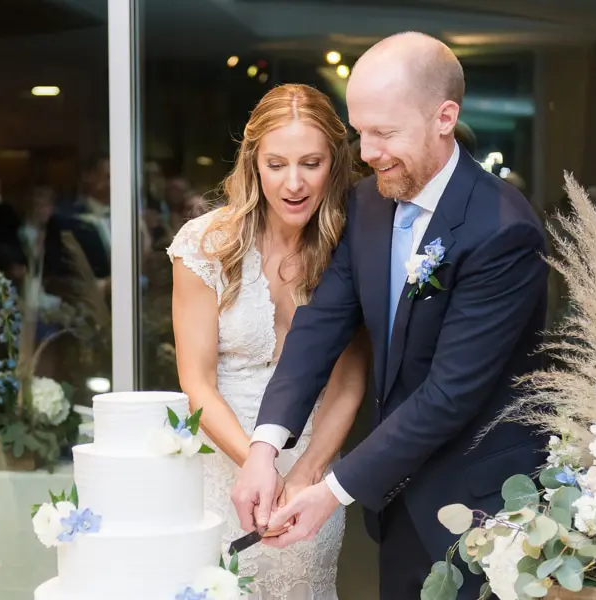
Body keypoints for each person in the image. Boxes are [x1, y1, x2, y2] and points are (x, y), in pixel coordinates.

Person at [233, 32, 549, 599]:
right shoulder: (367, 203)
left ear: (444, 117)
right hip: (396, 498)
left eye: (384, 133)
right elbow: (321, 326)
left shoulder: (504, 230)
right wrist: (266, 447)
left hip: (483, 510)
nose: (368, 151)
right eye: (360, 132)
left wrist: (331, 488)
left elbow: (450, 392)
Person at [168, 83, 371, 599]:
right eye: (276, 164)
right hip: (220, 465)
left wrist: (304, 474)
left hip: (312, 467)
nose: (295, 182)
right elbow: (196, 380)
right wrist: (254, 466)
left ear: (335, 163)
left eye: (311, 162)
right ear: (253, 162)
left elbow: (348, 379)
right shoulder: (205, 244)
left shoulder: (356, 245)